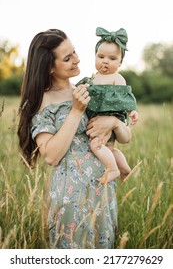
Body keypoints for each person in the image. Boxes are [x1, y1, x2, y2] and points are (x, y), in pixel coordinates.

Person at [17, 29, 131, 249]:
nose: (77, 59)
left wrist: (115, 123)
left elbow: (126, 136)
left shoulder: (88, 87)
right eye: (67, 58)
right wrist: (77, 111)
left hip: (102, 190)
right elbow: (51, 156)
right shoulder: (43, 102)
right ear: (49, 66)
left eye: (75, 52)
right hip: (72, 197)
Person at [76, 27, 138, 182]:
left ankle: (114, 170)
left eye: (112, 58)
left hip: (108, 117)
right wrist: (83, 88)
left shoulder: (117, 78)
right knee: (109, 148)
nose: (105, 61)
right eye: (101, 56)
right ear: (95, 56)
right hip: (97, 119)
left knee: (96, 145)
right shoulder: (92, 77)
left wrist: (132, 110)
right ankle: (124, 168)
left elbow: (125, 96)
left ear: (120, 62)